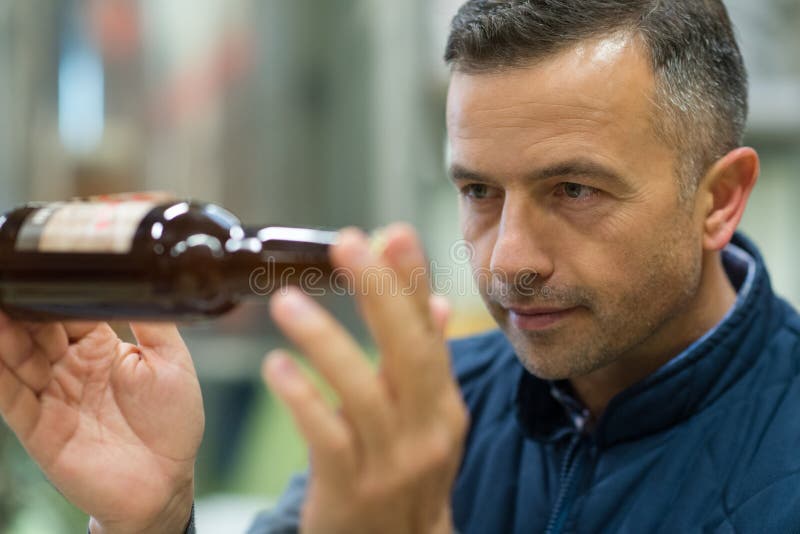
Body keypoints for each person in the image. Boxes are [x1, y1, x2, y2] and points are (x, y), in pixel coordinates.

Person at [1, 0, 799, 532]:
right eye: (479, 190)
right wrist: (158, 518)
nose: (507, 260)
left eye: (575, 190)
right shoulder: (425, 412)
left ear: (719, 199)